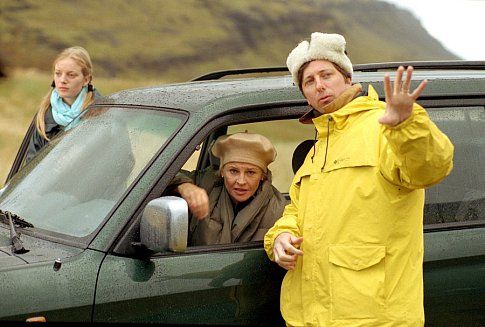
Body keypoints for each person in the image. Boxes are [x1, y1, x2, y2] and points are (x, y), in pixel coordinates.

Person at [264, 32, 454, 326]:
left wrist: (407, 125)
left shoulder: (383, 126)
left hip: (374, 317)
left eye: (326, 74)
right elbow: (297, 210)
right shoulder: (318, 148)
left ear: (347, 77)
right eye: (309, 82)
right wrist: (280, 237)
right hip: (310, 317)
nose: (320, 86)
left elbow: (430, 169)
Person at [169, 132, 286, 245]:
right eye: (233, 171)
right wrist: (183, 185)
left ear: (262, 176)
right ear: (222, 172)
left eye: (250, 172)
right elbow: (160, 174)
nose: (241, 181)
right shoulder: (205, 183)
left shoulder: (279, 210)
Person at [26, 46, 99, 162]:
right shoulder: (43, 116)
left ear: (86, 80)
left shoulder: (103, 113)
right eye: (58, 74)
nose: (62, 80)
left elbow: (124, 162)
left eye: (71, 75)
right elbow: (30, 169)